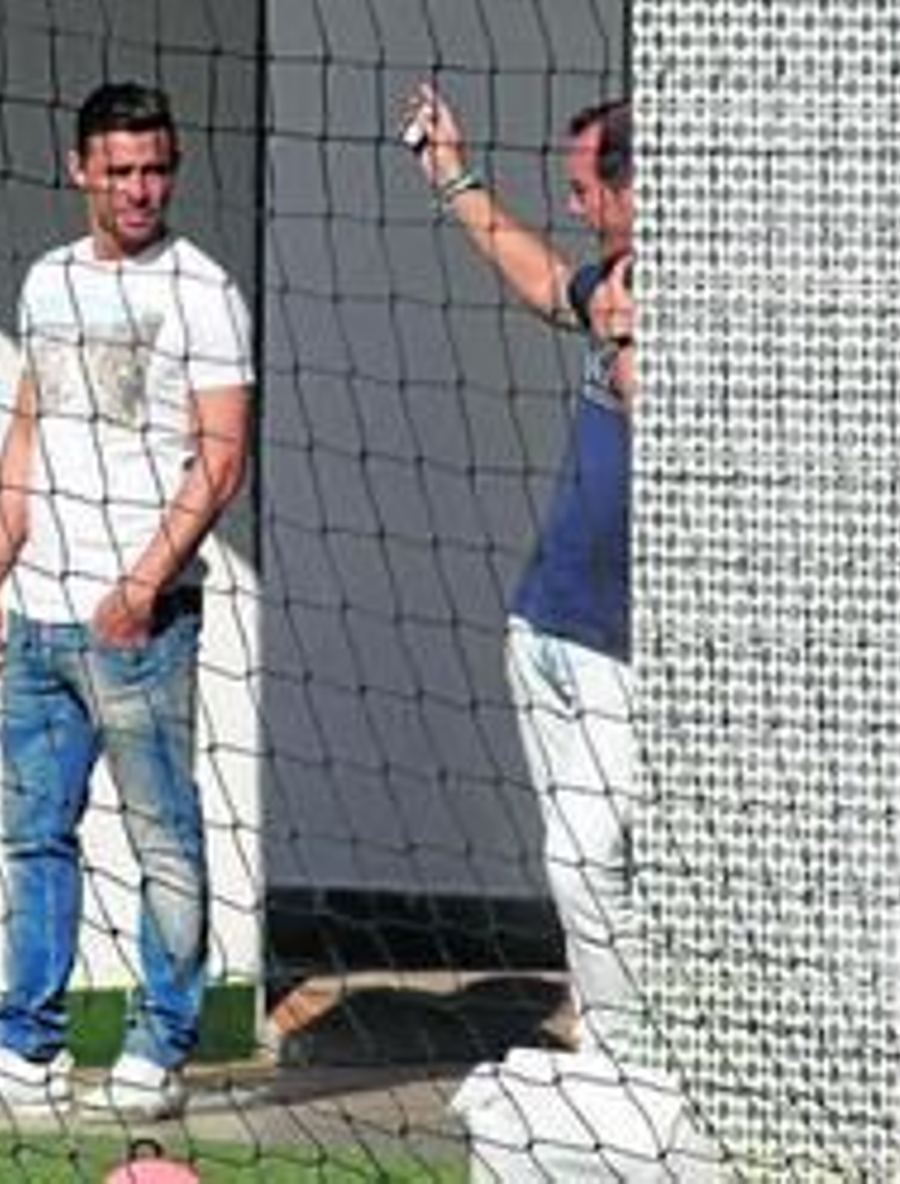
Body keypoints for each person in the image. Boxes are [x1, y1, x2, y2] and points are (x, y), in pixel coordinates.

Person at [0, 81, 254, 1119]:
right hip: (38, 620)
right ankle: (25, 1045)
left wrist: (141, 586)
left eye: (157, 169)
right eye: (120, 171)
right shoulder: (47, 280)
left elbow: (223, 461)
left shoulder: (203, 291)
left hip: (140, 625)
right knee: (35, 836)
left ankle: (159, 1045)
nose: (141, 189)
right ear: (80, 171)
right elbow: (28, 430)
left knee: (163, 838)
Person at [401, 84, 640, 1057]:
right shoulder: (613, 281)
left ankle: (629, 1054)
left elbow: (651, 402)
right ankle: (603, 1038)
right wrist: (451, 175)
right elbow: (544, 282)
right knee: (572, 864)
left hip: (630, 649)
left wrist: (627, 336)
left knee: (589, 857)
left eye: (584, 189)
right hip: (547, 626)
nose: (574, 208)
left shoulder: (690, 298)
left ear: (640, 187)